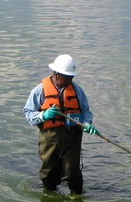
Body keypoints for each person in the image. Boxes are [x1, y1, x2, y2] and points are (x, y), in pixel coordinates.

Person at [24, 54, 98, 194]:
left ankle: (75, 199)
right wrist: (43, 115)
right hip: (50, 139)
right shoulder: (39, 90)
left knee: (73, 173)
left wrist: (87, 123)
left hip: (72, 138)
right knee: (49, 172)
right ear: (57, 75)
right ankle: (50, 196)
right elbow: (28, 113)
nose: (70, 80)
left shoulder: (77, 91)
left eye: (71, 77)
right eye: (67, 77)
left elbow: (85, 111)